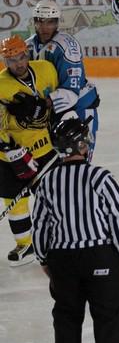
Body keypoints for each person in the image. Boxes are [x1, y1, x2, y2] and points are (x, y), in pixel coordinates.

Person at [32, 116, 119, 343]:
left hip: (62, 260)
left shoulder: (47, 181)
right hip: (101, 258)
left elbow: (39, 225)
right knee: (107, 320)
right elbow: (118, 218)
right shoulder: (100, 177)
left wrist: (43, 257)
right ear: (82, 145)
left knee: (66, 318)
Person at [0, 34, 59, 266]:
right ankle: (25, 244)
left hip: (44, 149)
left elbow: (57, 100)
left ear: (28, 53)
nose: (18, 63)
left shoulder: (46, 69)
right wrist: (9, 149)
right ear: (5, 62)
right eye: (11, 60)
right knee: (15, 202)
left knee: (54, 197)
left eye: (22, 56)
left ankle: (59, 239)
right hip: (10, 156)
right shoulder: (1, 85)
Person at [26, 0, 100, 160]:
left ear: (57, 23)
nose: (45, 27)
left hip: (80, 108)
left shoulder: (67, 45)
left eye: (50, 22)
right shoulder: (29, 45)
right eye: (40, 21)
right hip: (53, 111)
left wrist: (40, 104)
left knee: (81, 158)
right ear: (34, 22)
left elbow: (71, 91)